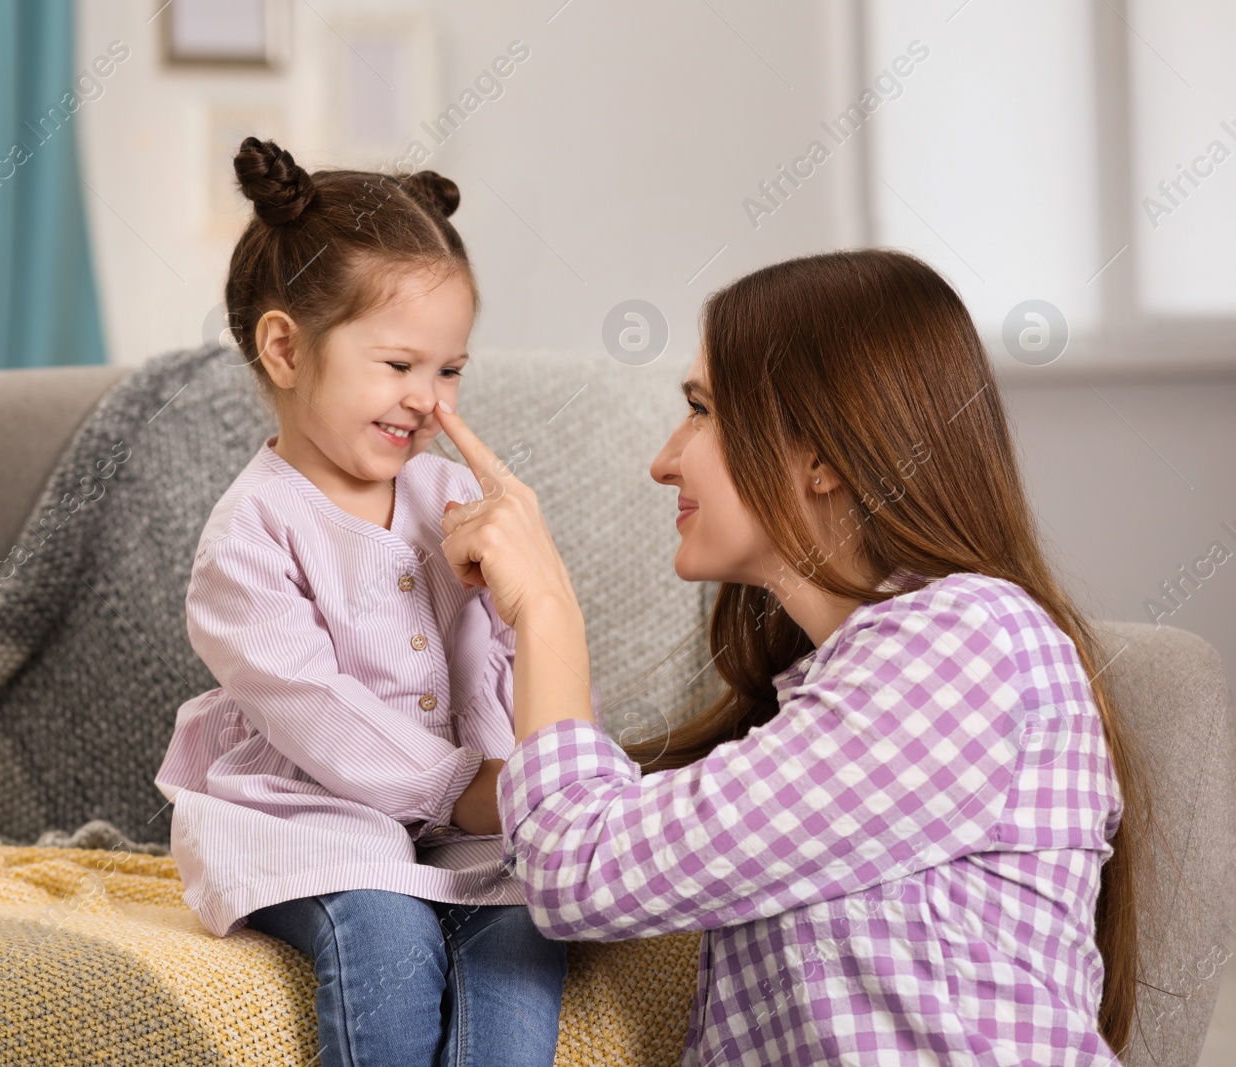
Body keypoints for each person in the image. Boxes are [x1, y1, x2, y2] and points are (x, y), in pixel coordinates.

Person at [433, 248, 1150, 1065]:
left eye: (701, 409)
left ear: (821, 456)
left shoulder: (969, 646)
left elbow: (579, 864)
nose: (664, 459)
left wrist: (546, 608)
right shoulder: (831, 695)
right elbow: (603, 831)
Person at [154, 137, 572, 1067]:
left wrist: (508, 591)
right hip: (310, 820)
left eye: (450, 369)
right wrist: (468, 791)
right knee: (385, 935)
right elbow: (320, 711)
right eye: (398, 365)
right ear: (285, 347)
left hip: (468, 821)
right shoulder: (251, 537)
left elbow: (509, 673)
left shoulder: (447, 502)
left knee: (527, 932)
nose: (427, 400)